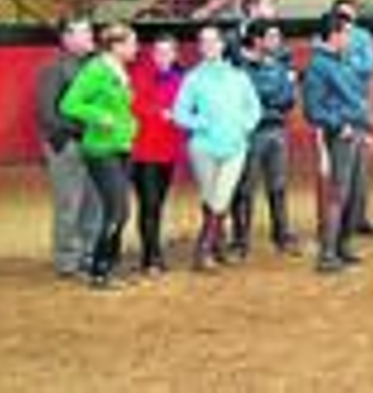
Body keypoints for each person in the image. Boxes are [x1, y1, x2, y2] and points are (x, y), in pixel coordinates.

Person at [173, 25, 262, 272]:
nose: (209, 46)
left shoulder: (239, 77)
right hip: (203, 148)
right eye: (204, 42)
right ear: (200, 47)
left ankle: (202, 251)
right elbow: (180, 113)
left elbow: (254, 109)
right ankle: (219, 247)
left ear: (223, 45)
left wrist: (244, 126)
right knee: (212, 198)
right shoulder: (192, 78)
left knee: (220, 197)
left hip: (235, 147)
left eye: (214, 41)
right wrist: (201, 123)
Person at [57, 24, 140, 290]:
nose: (135, 48)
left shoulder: (117, 70)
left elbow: (120, 107)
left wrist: (128, 126)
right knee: (117, 211)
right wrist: (99, 116)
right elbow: (69, 104)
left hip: (120, 146)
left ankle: (108, 266)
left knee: (120, 211)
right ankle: (100, 271)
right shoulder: (96, 70)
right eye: (131, 43)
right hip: (101, 149)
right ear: (116, 46)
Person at [304, 13, 372, 274]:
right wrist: (338, 124)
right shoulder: (319, 66)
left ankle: (342, 247)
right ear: (333, 36)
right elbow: (312, 109)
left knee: (352, 193)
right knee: (339, 193)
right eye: (346, 33)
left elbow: (355, 99)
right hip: (340, 134)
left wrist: (362, 127)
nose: (350, 38)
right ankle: (328, 254)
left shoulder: (340, 61)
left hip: (353, 130)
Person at [35, 18, 99, 279]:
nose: (90, 37)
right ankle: (68, 260)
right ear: (67, 38)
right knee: (69, 203)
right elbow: (47, 114)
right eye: (84, 33)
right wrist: (80, 132)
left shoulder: (95, 66)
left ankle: (88, 253)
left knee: (93, 202)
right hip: (67, 146)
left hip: (93, 144)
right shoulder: (54, 69)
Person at [231, 21, 301, 257]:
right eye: (272, 37)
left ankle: (281, 235)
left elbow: (289, 98)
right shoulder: (240, 67)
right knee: (246, 188)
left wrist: (266, 97)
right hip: (251, 132)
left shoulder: (278, 65)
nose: (277, 42)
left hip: (276, 129)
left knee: (278, 186)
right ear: (257, 40)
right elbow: (250, 96)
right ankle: (241, 240)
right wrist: (271, 95)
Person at [129, 34, 185, 275]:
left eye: (167, 52)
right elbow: (133, 105)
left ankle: (153, 251)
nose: (162, 57)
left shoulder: (180, 79)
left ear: (175, 54)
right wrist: (160, 112)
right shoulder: (140, 76)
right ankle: (150, 256)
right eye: (158, 52)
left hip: (168, 151)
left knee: (157, 203)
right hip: (143, 152)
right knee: (149, 204)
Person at [333, 0, 373, 239]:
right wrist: (353, 63)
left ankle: (358, 219)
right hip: (338, 110)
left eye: (350, 15)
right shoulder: (326, 34)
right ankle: (340, 222)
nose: (347, 20)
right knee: (342, 173)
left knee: (360, 171)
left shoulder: (364, 36)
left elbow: (369, 66)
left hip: (359, 106)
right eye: (343, 15)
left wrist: (346, 61)